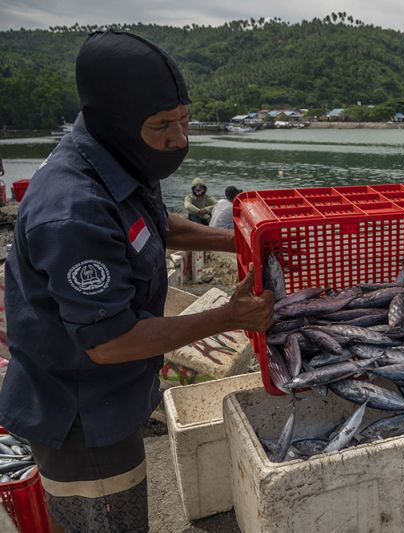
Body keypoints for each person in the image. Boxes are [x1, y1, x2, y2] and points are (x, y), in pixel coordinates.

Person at [0, 31, 273, 533]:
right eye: (162, 125)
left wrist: (236, 240)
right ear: (115, 122)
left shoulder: (115, 158)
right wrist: (230, 316)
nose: (179, 139)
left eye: (184, 119)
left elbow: (156, 224)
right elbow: (110, 341)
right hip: (80, 418)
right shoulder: (73, 211)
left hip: (111, 400)